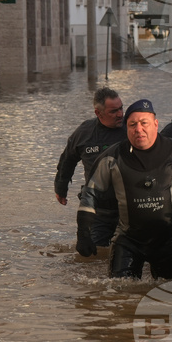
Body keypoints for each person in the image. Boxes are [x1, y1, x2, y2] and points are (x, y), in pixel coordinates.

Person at [76, 99, 172, 280]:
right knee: (119, 297)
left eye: (144, 123)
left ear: (155, 124)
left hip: (169, 240)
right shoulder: (112, 157)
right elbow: (90, 194)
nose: (139, 129)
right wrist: (83, 233)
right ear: (127, 128)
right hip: (129, 241)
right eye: (132, 124)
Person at [53, 88, 126, 248]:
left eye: (121, 108)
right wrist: (61, 188)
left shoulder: (133, 129)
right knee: (94, 254)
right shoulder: (84, 133)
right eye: (113, 111)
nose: (120, 114)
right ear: (98, 113)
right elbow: (67, 160)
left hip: (128, 207)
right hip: (99, 209)